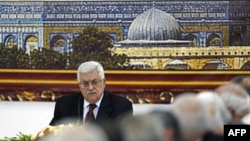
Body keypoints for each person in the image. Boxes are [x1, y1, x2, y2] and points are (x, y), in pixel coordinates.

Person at [49, 61, 133, 125]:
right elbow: (52, 135)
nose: (90, 88)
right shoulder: (64, 105)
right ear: (79, 85)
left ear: (104, 82)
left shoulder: (122, 107)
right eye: (85, 83)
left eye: (95, 82)